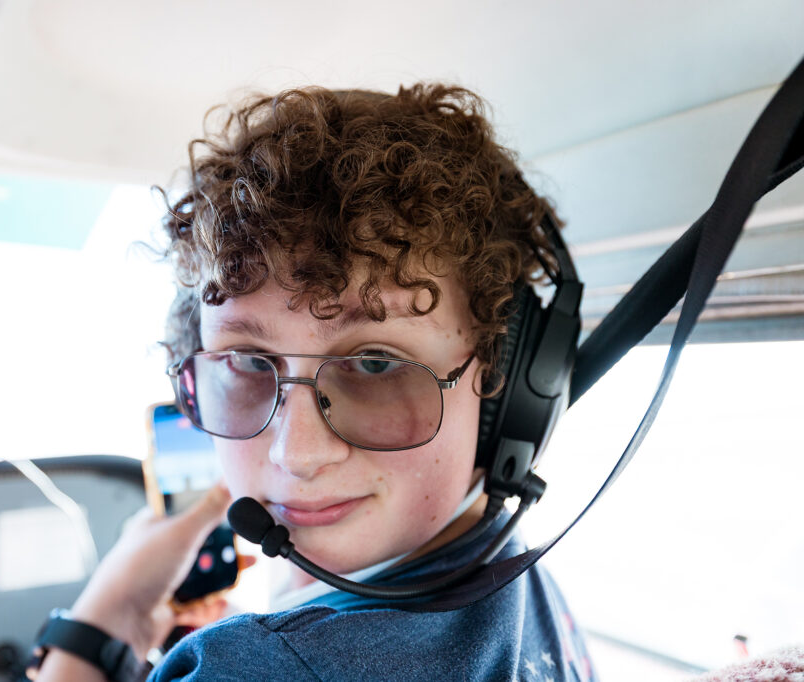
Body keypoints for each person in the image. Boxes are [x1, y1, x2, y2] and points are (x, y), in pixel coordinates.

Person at [36, 84, 597, 681]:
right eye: (250, 362)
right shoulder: (515, 580)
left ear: (504, 389)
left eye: (378, 363)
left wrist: (102, 621)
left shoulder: (248, 669)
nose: (296, 453)